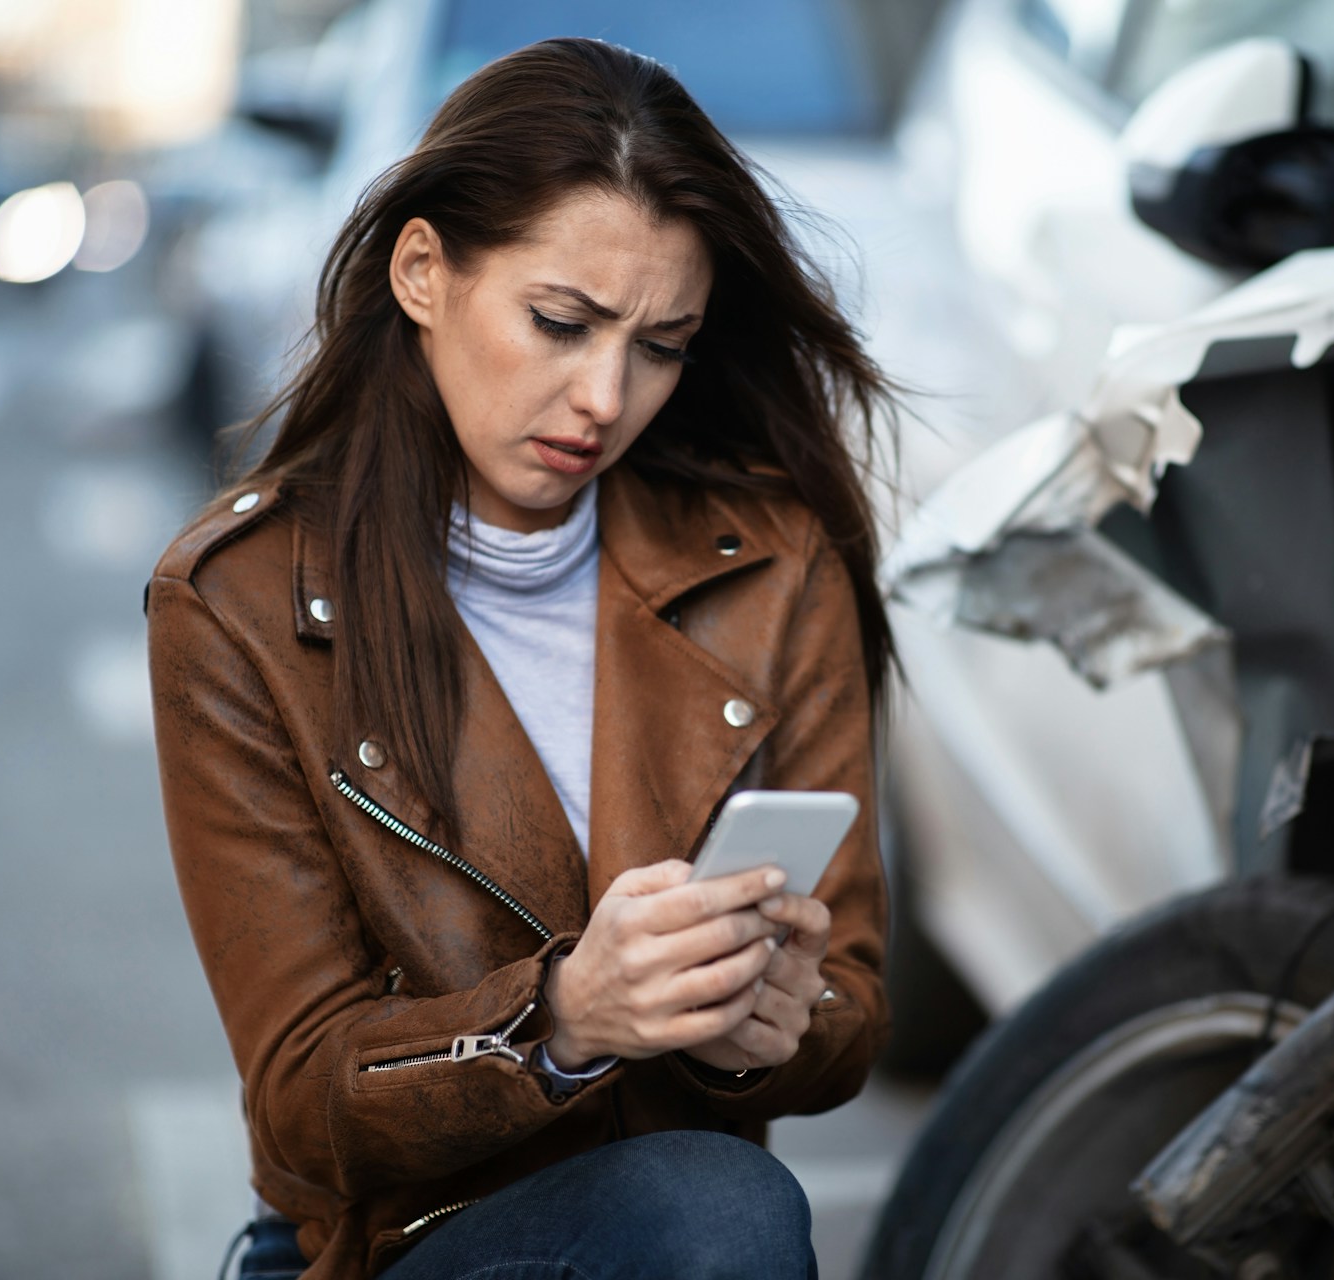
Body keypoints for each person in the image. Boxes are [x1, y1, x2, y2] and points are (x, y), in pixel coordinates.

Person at [145, 37, 894, 1280]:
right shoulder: (239, 603)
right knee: (720, 1207)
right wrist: (556, 1021)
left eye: (662, 344)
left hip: (685, 1226)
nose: (605, 394)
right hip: (396, 1242)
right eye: (560, 321)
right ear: (424, 271)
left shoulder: (771, 563)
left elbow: (851, 1006)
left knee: (716, 1204)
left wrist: (768, 1029)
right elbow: (299, 1090)